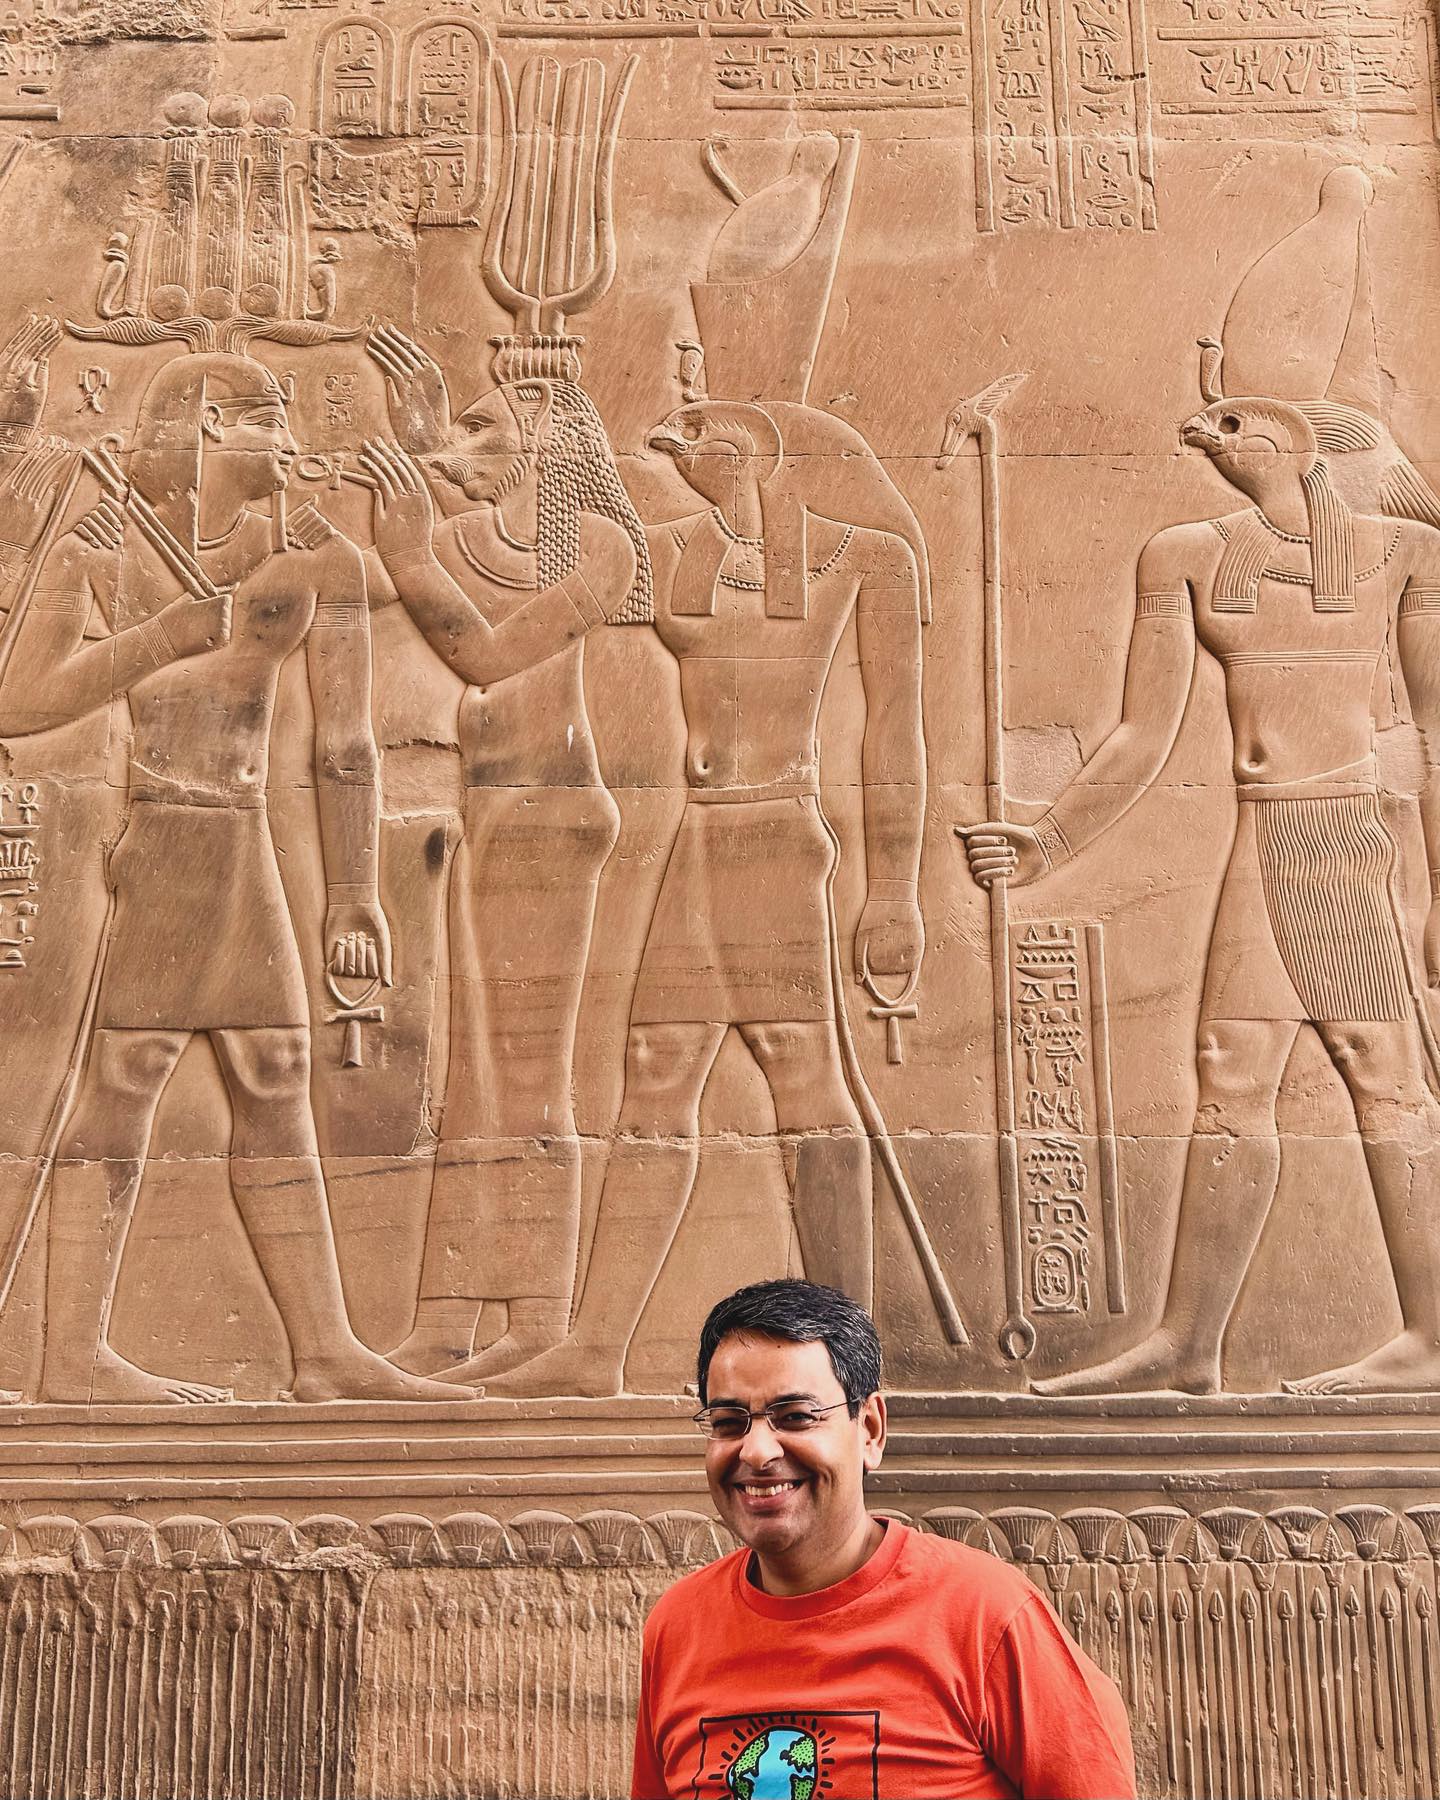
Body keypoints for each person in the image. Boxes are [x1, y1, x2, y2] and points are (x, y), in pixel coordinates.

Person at [0, 352, 465, 1404]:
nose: (291, 444)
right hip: (159, 840)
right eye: (267, 421)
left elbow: (347, 744)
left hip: (244, 840)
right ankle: (71, 1358)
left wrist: (354, 893)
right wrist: (162, 636)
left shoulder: (318, 556)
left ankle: (323, 1352)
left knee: (276, 1069)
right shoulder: (109, 545)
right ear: (209, 425)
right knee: (127, 1078)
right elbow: (19, 701)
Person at [964, 395, 1440, 1396]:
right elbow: (1144, 733)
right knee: (1230, 1074)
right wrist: (1048, 841)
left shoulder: (1403, 553)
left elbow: (1437, 738)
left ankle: (1433, 1336)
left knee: (1384, 1075)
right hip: (1266, 840)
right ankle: (1189, 1346)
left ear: (1296, 444)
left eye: (1231, 425)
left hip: (1345, 843)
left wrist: (1437, 894)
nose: (1205, 437)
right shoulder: (1184, 555)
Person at [362, 328, 649, 1385]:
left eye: (483, 429)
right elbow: (413, 556)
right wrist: (423, 445)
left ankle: (534, 1317)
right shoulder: (472, 534)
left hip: (553, 820)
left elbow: (486, 654)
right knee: (472, 1071)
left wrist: (407, 554)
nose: (459, 447)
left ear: (542, 442)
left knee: (528, 1070)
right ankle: (448, 1318)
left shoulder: (600, 549)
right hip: (490, 812)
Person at [632, 1279, 1136, 1799]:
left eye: (796, 1417)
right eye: (728, 1422)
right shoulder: (677, 1628)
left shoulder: (987, 1617)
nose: (757, 1451)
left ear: (870, 1428)